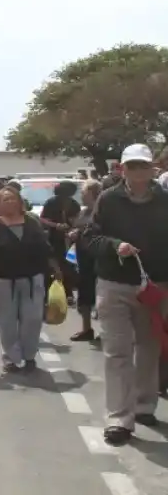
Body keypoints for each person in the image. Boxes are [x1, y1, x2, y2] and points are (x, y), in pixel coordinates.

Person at [81, 144, 168, 446]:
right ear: (122, 169)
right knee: (117, 352)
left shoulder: (164, 200)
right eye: (131, 166)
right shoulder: (108, 199)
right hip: (114, 283)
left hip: (154, 287)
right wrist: (115, 245)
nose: (137, 172)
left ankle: (144, 406)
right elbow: (90, 237)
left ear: (152, 168)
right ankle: (119, 418)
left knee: (149, 347)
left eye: (142, 166)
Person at [0, 186, 59, 373]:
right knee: (7, 321)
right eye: (4, 199)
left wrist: (55, 269)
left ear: (19, 202)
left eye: (12, 198)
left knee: (32, 319)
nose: (9, 202)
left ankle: (29, 355)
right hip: (5, 281)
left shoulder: (32, 223)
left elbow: (45, 248)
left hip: (33, 279)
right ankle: (11, 358)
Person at [69, 179, 101, 342]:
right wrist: (76, 232)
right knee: (85, 293)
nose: (81, 195)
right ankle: (86, 328)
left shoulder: (102, 211)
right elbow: (79, 227)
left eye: (84, 192)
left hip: (98, 259)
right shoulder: (83, 212)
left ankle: (105, 331)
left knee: (101, 295)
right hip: (83, 259)